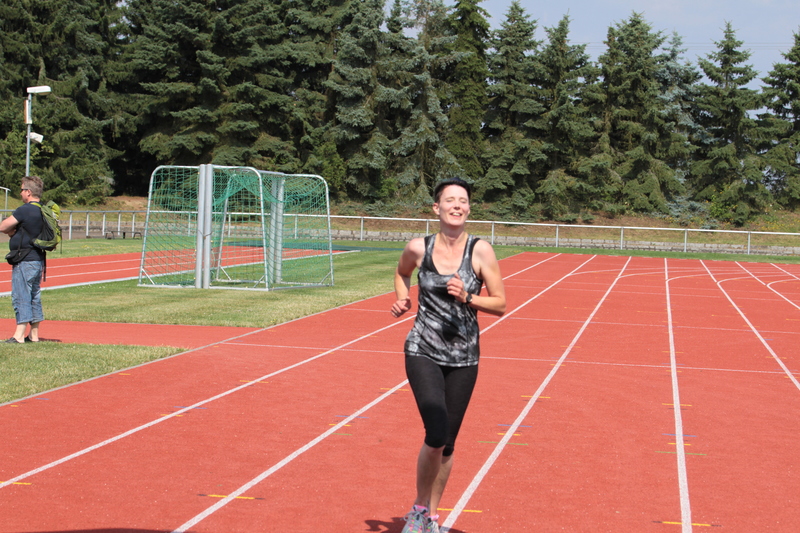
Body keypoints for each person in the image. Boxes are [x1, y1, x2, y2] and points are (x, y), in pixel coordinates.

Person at [391, 177, 506, 533]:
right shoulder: (418, 248)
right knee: (436, 430)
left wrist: (468, 297)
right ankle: (418, 509)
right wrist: (403, 298)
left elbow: (500, 303)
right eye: (450, 200)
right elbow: (401, 273)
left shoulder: (480, 251)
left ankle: (431, 516)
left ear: (468, 208)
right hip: (422, 348)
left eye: (463, 201)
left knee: (449, 443)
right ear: (436, 208)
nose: (457, 205)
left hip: (464, 357)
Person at [0, 176, 46, 343]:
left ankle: (18, 335)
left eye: (21, 190)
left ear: (28, 192)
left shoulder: (25, 210)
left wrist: (12, 231)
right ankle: (34, 334)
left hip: (24, 259)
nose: (20, 193)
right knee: (34, 296)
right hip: (38, 259)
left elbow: (3, 226)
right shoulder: (44, 210)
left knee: (21, 296)